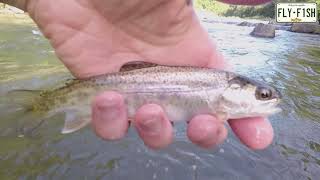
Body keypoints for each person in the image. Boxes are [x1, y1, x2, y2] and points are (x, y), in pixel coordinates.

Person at [1, 0, 274, 150]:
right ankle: (43, 105)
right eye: (263, 95)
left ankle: (47, 106)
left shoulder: (218, 83)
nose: (268, 99)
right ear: (235, 88)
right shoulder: (219, 81)